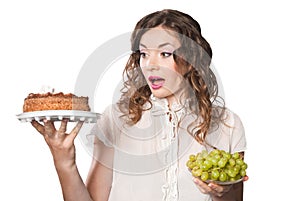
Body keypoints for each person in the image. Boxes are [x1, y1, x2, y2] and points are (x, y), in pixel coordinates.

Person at [31, 9, 247, 201]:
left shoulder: (228, 124)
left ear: (191, 60)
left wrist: (222, 193)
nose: (150, 65)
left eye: (165, 54)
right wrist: (64, 162)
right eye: (144, 54)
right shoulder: (116, 119)